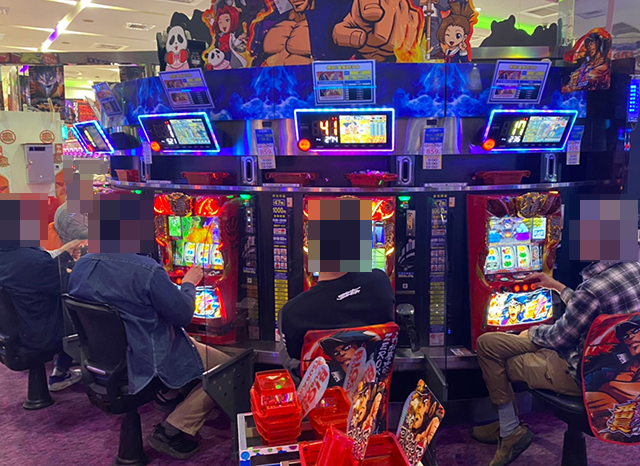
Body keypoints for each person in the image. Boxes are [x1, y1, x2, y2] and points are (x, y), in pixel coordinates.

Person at [473, 261, 640, 466]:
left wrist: (532, 332)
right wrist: (557, 287)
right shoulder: (634, 268)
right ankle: (506, 423)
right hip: (621, 373)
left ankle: (510, 432)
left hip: (584, 377)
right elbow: (589, 307)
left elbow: (559, 338)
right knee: (488, 343)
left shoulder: (592, 289)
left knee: (500, 359)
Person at [68, 253, 230, 460]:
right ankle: (172, 430)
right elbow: (183, 315)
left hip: (103, 361)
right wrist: (189, 283)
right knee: (226, 368)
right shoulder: (146, 270)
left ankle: (168, 395)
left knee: (189, 344)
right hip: (147, 360)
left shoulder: (82, 265)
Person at [278, 268, 395, 383]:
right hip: (377, 391)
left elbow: (295, 359)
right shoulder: (380, 282)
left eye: (346, 348)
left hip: (323, 394)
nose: (342, 354)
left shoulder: (292, 312)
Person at [0, 242, 85, 391]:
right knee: (88, 311)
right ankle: (105, 374)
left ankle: (62, 370)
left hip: (15, 332)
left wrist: (64, 256)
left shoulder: (11, 256)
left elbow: (39, 274)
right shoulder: (31, 259)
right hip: (43, 333)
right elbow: (71, 284)